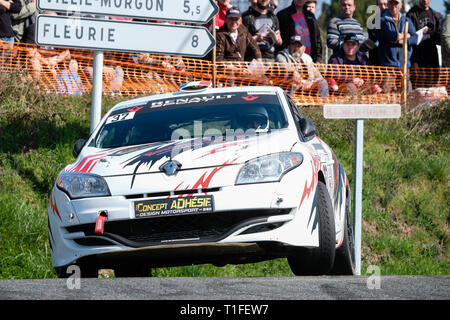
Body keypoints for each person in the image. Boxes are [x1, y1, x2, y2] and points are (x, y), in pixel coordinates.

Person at [378, 0, 418, 68]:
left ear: (401, 5)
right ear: (387, 4)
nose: (393, 6)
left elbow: (415, 38)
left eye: (396, 3)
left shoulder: (406, 20)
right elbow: (390, 36)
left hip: (405, 66)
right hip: (388, 67)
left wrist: (405, 40)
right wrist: (407, 35)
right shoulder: (381, 20)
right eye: (391, 3)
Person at [406, 0, 442, 68]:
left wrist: (432, 33)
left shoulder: (436, 16)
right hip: (417, 59)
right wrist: (414, 61)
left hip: (432, 60)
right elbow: (408, 39)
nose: (425, 0)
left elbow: (441, 40)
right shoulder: (411, 14)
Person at [0, 0, 22, 68]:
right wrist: (9, 4)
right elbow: (1, 9)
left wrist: (2, 2)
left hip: (8, 37)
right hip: (3, 36)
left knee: (2, 66)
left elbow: (17, 7)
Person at [368, 0, 388, 65]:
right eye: (380, 4)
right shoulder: (371, 21)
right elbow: (374, 39)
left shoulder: (396, 19)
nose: (383, 7)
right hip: (376, 59)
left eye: (385, 4)